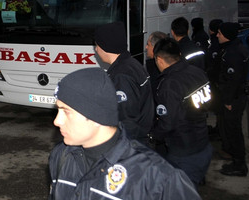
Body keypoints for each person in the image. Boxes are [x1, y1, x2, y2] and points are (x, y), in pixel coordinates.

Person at [48, 68, 200, 199]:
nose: (57, 121)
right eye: (58, 110)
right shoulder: (60, 156)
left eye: (66, 112)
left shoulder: (157, 177)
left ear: (96, 115)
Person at [149, 38, 212, 185]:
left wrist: (152, 136)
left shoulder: (169, 84)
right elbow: (207, 102)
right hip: (203, 143)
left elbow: (168, 123)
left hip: (183, 152)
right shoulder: (197, 72)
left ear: (159, 59)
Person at [94, 21, 154, 143]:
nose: (95, 49)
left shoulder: (121, 76)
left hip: (131, 144)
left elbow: (127, 120)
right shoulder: (131, 64)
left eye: (97, 45)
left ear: (106, 46)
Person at [216, 22, 249, 176]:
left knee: (234, 131)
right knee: (232, 130)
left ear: (227, 36)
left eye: (220, 33)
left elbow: (234, 80)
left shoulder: (233, 53)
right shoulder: (234, 48)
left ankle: (239, 164)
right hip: (235, 97)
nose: (217, 35)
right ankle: (236, 159)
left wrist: (229, 101)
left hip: (234, 99)